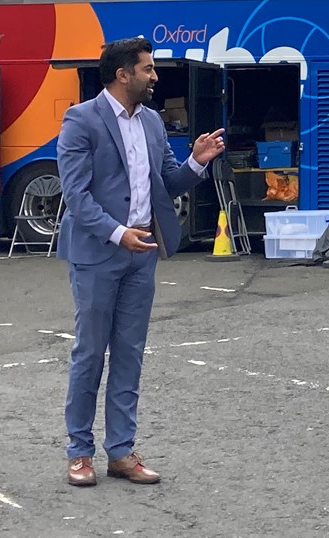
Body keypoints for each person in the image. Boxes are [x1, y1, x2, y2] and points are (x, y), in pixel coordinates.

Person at [57, 38, 225, 486]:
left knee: (129, 353)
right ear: (122, 75)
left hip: (142, 254)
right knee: (90, 353)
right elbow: (75, 195)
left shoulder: (152, 122)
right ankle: (79, 452)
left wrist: (195, 162)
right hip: (98, 252)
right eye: (147, 69)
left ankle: (121, 451)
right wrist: (117, 232)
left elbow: (164, 184)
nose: (155, 77)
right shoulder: (80, 120)